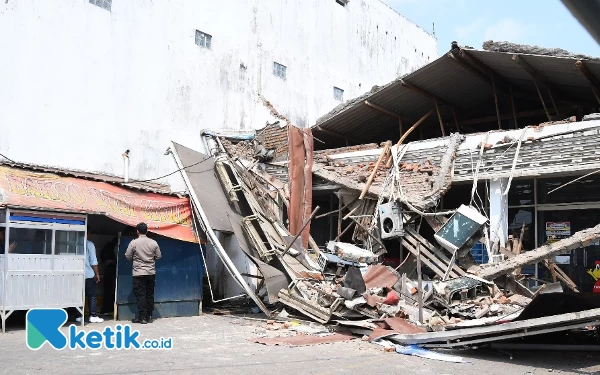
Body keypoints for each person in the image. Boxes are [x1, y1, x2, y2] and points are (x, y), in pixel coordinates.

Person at [125, 223, 161, 324]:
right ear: (147, 231)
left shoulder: (133, 243)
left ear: (137, 231)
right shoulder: (153, 243)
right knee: (149, 294)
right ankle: (149, 316)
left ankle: (142, 317)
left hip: (138, 273)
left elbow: (128, 256)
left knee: (141, 295)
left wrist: (136, 259)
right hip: (150, 272)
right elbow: (158, 256)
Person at [77, 234, 104, 323]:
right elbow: (93, 261)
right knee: (91, 295)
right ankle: (93, 315)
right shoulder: (89, 244)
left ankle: (79, 316)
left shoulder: (74, 242)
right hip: (88, 274)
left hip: (76, 274)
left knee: (78, 295)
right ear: (87, 233)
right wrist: (97, 273)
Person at [100, 237, 118, 314]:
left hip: (109, 271)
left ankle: (107, 309)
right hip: (113, 271)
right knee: (112, 290)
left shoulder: (108, 246)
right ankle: (109, 309)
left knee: (108, 290)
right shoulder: (114, 246)